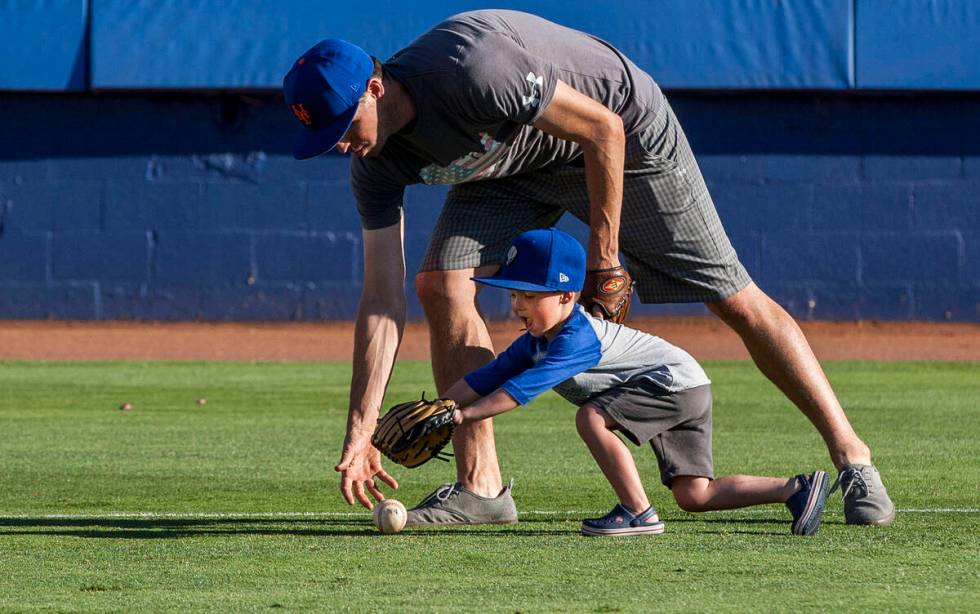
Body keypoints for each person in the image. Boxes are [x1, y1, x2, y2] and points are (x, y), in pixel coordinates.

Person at [282, 9, 894, 527]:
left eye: (342, 126)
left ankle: (852, 457)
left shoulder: (473, 68)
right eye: (326, 138)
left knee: (731, 295)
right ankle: (482, 488)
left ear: (375, 88)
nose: (340, 144)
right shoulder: (374, 164)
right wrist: (360, 430)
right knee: (439, 282)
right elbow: (382, 299)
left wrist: (604, 263)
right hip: (514, 169)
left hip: (623, 133)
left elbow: (603, 129)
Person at [430, 227, 830, 536]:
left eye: (531, 296)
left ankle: (638, 513)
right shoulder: (535, 341)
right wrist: (440, 406)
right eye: (515, 295)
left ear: (568, 297)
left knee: (591, 418)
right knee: (694, 495)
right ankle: (795, 488)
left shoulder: (576, 339)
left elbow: (517, 391)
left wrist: (461, 418)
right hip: (687, 383)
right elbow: (486, 377)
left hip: (672, 383)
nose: (518, 304)